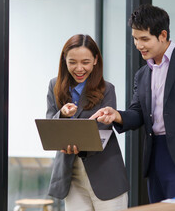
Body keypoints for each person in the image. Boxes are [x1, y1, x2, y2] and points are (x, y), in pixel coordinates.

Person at [90, 4, 175, 203]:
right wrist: (116, 115)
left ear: (162, 35)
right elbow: (138, 112)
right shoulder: (143, 74)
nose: (139, 45)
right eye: (135, 39)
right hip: (155, 157)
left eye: (144, 39)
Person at [46, 34, 129, 211]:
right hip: (71, 177)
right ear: (64, 60)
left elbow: (102, 130)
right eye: (72, 62)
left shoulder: (107, 89)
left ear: (95, 60)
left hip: (106, 175)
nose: (79, 68)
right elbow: (49, 127)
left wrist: (74, 142)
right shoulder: (55, 86)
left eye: (85, 62)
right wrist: (63, 114)